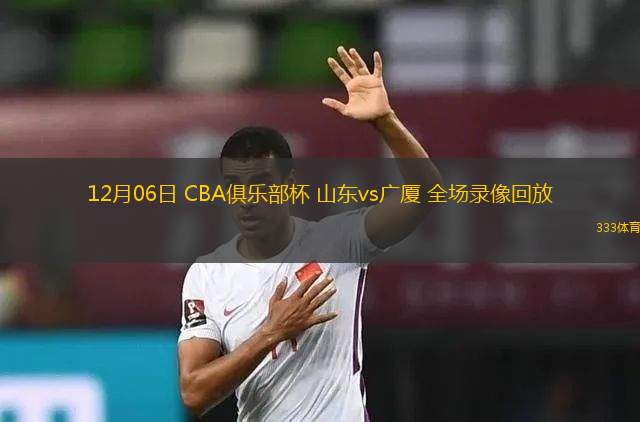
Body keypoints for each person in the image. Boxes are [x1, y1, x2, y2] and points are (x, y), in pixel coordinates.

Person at [177, 46, 442, 421]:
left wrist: (386, 121)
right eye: (234, 186)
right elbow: (194, 393)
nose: (247, 199)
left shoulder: (339, 241)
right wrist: (271, 332)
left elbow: (428, 194)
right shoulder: (208, 274)